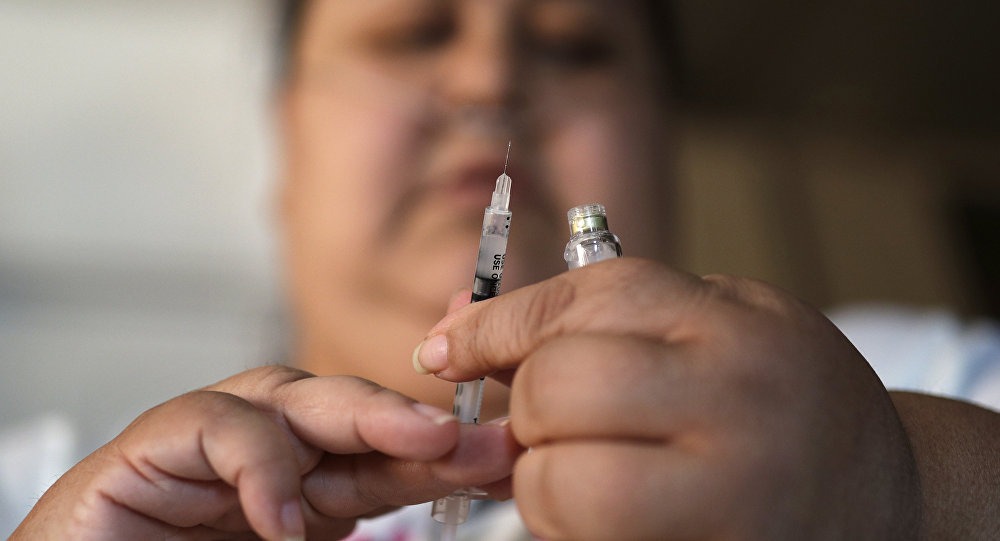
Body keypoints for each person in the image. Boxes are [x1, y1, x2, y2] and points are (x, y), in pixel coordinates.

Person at [11, 1, 1000, 539]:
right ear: (287, 143)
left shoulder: (902, 384)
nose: (492, 82)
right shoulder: (59, 492)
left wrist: (903, 485)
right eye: (415, 31)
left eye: (575, 48)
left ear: (667, 142)